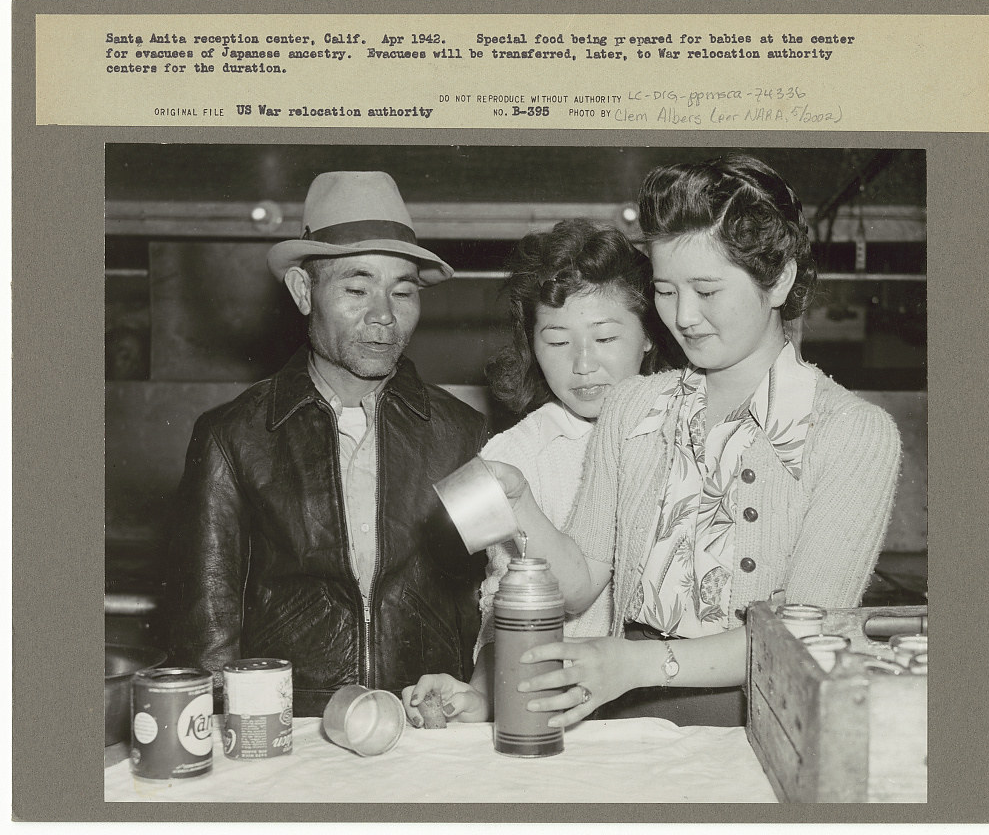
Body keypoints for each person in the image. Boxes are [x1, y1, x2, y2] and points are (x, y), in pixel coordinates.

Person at [429, 153, 902, 729]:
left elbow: (808, 633)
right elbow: (578, 587)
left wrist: (636, 664)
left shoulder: (853, 433)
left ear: (778, 279)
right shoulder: (633, 408)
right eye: (665, 290)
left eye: (706, 290)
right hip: (625, 708)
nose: (684, 317)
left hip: (761, 716)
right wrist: (520, 501)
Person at [165, 171, 489, 716]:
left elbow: (491, 599)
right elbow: (207, 634)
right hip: (288, 730)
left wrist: (478, 697)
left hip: (424, 724)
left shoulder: (462, 433)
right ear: (302, 291)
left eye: (403, 292)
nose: (384, 315)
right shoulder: (234, 436)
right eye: (357, 290)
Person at [402, 218, 673, 726]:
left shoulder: (690, 431)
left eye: (605, 336)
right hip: (557, 713)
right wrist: (481, 697)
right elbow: (500, 606)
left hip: (670, 707)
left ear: (648, 336)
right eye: (557, 341)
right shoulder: (515, 456)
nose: (583, 364)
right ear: (531, 343)